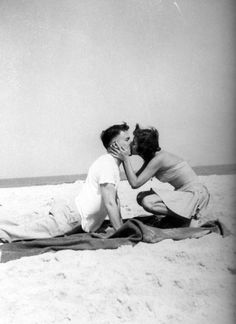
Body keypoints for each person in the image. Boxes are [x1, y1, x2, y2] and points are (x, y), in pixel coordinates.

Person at [0, 122, 131, 242]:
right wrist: (120, 233)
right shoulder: (107, 164)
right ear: (115, 145)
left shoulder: (110, 164)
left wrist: (119, 226)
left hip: (71, 214)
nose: (130, 142)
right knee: (17, 233)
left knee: (22, 226)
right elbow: (110, 203)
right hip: (70, 218)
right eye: (127, 139)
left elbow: (115, 200)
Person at [110, 124, 210, 227]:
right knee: (141, 196)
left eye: (134, 143)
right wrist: (123, 158)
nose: (131, 144)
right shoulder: (152, 158)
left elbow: (135, 183)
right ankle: (182, 216)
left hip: (195, 195)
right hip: (185, 193)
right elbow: (134, 180)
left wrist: (125, 159)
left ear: (142, 147)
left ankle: (188, 216)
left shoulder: (158, 159)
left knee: (147, 202)